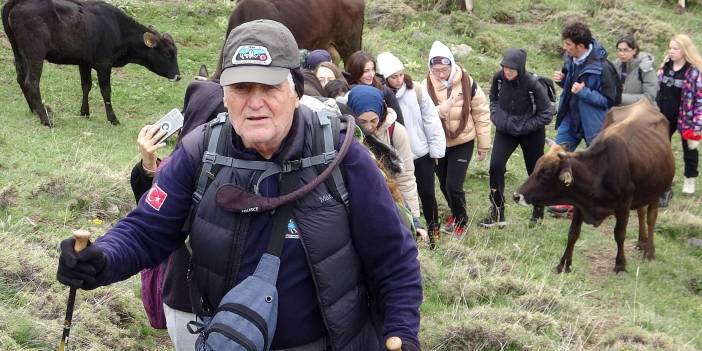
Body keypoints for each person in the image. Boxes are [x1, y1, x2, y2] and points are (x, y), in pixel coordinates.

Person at [57, 20, 422, 351]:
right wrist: (100, 259)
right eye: (242, 87)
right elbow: (145, 231)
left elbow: (394, 259)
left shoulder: (342, 156)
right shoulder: (200, 153)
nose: (255, 103)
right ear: (224, 95)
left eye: (269, 87)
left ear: (295, 91)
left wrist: (402, 332)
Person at [376, 51, 446, 246]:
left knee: (427, 194)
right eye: (393, 76)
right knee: (403, 195)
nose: (399, 80)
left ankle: (434, 233)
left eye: (401, 74)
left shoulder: (415, 89)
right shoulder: (381, 96)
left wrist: (436, 149)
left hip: (420, 153)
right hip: (397, 155)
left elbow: (430, 118)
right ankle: (412, 234)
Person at [478, 48, 552, 229]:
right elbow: (493, 99)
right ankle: (497, 212)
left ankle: (538, 210)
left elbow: (547, 113)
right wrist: (496, 116)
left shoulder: (533, 85)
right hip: (505, 130)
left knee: (534, 171)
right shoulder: (499, 78)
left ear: (520, 67)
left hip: (531, 133)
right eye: (505, 67)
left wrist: (526, 126)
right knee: (495, 166)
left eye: (512, 68)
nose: (507, 71)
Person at [423, 40, 491, 237]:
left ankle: (461, 221)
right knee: (444, 184)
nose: (441, 74)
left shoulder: (467, 82)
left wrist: (483, 145)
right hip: (438, 142)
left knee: (454, 185)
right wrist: (439, 111)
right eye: (436, 70)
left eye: (444, 69)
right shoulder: (424, 86)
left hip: (463, 141)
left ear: (452, 64)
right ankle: (454, 211)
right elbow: (423, 115)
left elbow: (481, 113)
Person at [549, 21, 618, 215]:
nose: (565, 47)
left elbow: (610, 100)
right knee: (558, 156)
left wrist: (584, 92)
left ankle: (603, 201)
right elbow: (571, 88)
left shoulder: (604, 68)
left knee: (596, 165)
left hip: (593, 123)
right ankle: (564, 200)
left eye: (568, 44)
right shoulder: (570, 59)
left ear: (580, 46)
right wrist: (563, 81)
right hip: (570, 118)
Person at [346, 85, 426, 240]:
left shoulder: (396, 132)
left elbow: (406, 177)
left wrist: (414, 221)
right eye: (362, 121)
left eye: (373, 120)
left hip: (391, 199)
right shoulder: (346, 135)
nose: (369, 127)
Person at [656, 34, 702, 196]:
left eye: (675, 48)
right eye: (670, 48)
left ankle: (690, 178)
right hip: (663, 116)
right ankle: (664, 178)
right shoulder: (665, 66)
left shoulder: (693, 71)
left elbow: (699, 99)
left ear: (684, 50)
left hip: (687, 118)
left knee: (690, 149)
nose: (671, 51)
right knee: (660, 149)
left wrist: (697, 124)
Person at [345, 50, 405, 124]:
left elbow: (399, 122)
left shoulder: (384, 91)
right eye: (366, 71)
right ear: (355, 71)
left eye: (373, 69)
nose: (371, 74)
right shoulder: (345, 91)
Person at [612, 35, 658, 106]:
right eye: (619, 50)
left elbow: (650, 98)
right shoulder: (615, 65)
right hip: (620, 110)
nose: (622, 54)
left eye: (626, 50)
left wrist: (620, 98)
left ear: (634, 50)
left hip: (641, 111)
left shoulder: (645, 67)